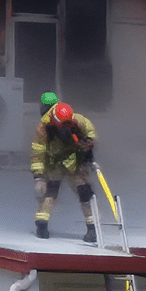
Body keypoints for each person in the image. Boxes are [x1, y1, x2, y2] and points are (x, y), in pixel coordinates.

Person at [30, 101, 98, 242]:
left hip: (74, 160)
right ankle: (42, 226)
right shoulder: (44, 128)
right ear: (54, 121)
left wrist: (88, 142)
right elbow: (38, 150)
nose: (65, 129)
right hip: (54, 163)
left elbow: (90, 131)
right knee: (49, 193)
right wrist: (38, 176)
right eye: (62, 126)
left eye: (68, 125)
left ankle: (93, 229)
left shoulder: (78, 121)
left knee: (85, 193)